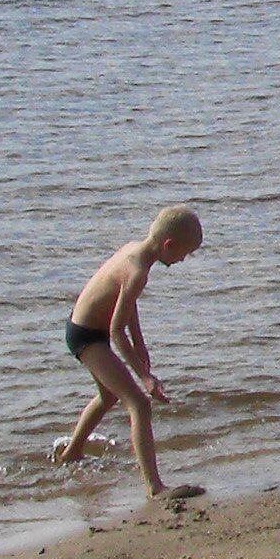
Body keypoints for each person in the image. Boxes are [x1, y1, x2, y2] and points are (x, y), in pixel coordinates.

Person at [54, 205, 206, 502]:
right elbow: (114, 331)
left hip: (83, 326)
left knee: (109, 396)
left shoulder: (134, 251)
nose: (183, 260)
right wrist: (145, 376)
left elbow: (126, 301)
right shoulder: (137, 271)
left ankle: (72, 453)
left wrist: (140, 343)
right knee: (138, 403)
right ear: (169, 245)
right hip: (87, 336)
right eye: (184, 254)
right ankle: (155, 488)